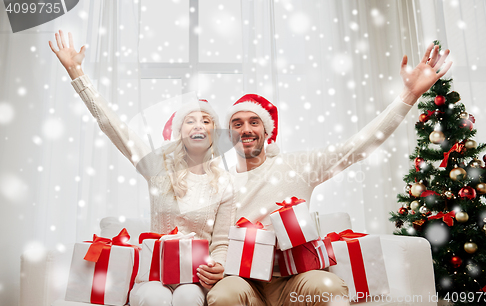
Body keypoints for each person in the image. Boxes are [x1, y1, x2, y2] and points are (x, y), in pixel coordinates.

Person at [206, 43, 452, 306]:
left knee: (328, 287)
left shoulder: (297, 166)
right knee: (223, 295)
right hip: (245, 282)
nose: (246, 129)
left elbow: (356, 147)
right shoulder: (222, 182)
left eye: (254, 122)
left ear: (267, 132)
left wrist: (408, 96)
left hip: (295, 280)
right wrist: (219, 265)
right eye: (237, 123)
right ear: (229, 134)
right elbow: (220, 241)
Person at [49, 30, 235, 306]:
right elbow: (112, 126)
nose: (198, 125)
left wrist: (218, 265)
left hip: (194, 278)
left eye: (206, 120)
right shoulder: (157, 165)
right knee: (152, 297)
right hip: (153, 275)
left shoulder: (224, 184)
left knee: (187, 297)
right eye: (190, 120)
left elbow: (221, 242)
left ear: (214, 132)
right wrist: (76, 72)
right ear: (179, 131)